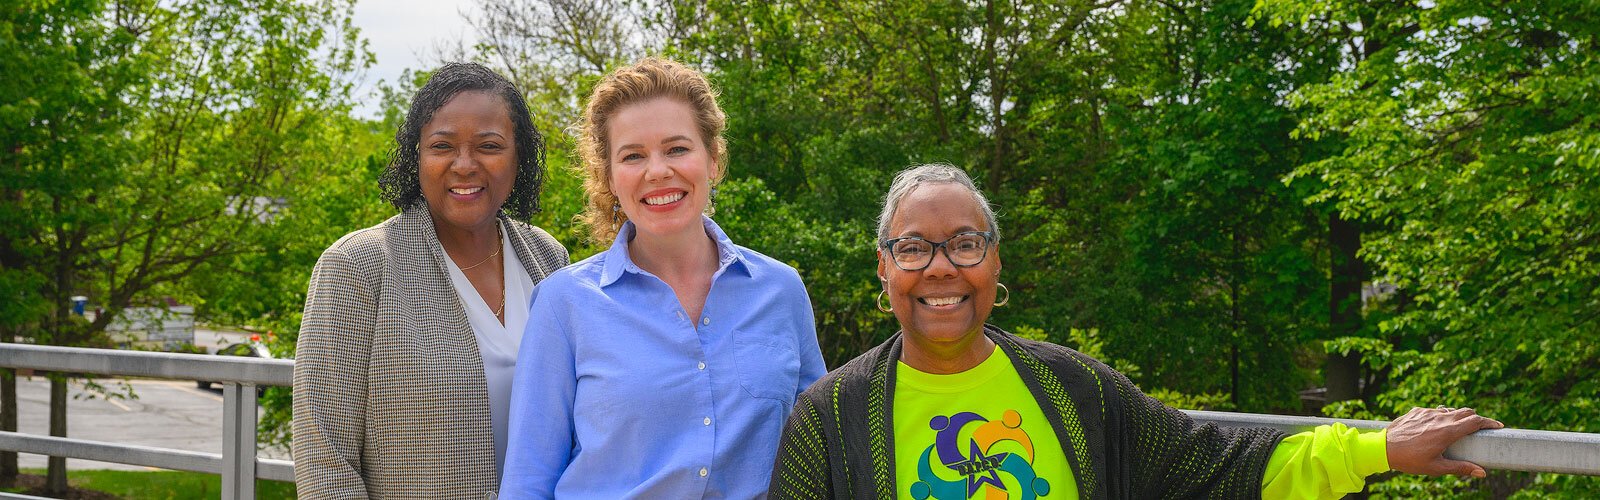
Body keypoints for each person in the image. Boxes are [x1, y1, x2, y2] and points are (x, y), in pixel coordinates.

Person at [769, 164, 1502, 499]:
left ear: (994, 262)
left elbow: (1224, 465)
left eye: (965, 243)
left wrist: (1378, 446)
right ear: (884, 268)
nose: (941, 269)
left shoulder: (1074, 388)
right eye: (914, 248)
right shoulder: (831, 416)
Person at [498, 57, 827, 498]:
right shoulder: (563, 305)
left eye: (677, 149)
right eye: (633, 156)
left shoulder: (781, 290)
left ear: (712, 159)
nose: (657, 171)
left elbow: (820, 453)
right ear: (610, 178)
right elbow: (528, 481)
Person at [292, 62, 569, 498]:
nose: (464, 165)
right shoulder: (358, 266)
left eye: (489, 145)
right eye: (442, 146)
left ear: (519, 158)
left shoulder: (548, 259)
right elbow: (324, 458)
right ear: (416, 156)